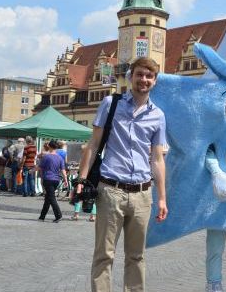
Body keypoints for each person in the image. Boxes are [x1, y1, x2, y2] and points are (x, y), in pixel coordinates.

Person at [76, 57, 167, 292]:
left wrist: (162, 198)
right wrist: (81, 180)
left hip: (142, 194)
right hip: (110, 191)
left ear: (155, 81)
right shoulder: (111, 103)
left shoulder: (158, 115)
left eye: (149, 76)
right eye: (139, 74)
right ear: (131, 76)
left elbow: (157, 159)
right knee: (104, 256)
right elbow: (94, 144)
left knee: (136, 257)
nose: (144, 80)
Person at [37, 140, 67, 222]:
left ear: (49, 146)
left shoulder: (46, 157)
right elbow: (63, 170)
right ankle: (42, 217)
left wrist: (31, 170)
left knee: (52, 198)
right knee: (48, 198)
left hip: (48, 179)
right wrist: (66, 180)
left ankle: (58, 215)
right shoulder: (60, 158)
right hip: (56, 180)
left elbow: (40, 167)